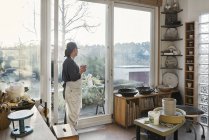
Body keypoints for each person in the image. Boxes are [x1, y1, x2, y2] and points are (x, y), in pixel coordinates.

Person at [62, 42, 86, 128]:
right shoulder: (69, 62)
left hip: (70, 91)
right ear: (74, 50)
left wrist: (79, 70)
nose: (77, 51)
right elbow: (73, 77)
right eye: (77, 49)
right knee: (72, 116)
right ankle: (71, 135)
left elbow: (72, 75)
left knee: (70, 114)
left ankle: (68, 135)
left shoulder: (69, 61)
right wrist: (81, 71)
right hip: (71, 92)